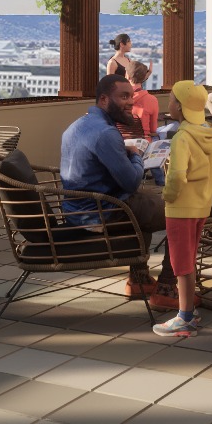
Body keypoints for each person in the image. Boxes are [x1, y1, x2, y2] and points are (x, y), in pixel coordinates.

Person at [61, 73, 178, 308]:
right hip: (100, 214)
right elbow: (131, 182)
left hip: (76, 210)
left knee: (147, 200)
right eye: (123, 96)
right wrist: (135, 156)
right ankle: (167, 286)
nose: (130, 102)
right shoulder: (106, 132)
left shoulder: (76, 125)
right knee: (182, 214)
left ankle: (139, 278)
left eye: (130, 96)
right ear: (103, 99)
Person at [153, 81, 212, 337]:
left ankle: (184, 318)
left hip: (181, 208)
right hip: (201, 205)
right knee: (190, 257)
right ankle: (189, 312)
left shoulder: (182, 138)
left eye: (172, 100)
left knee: (180, 263)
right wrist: (207, 178)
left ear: (181, 108)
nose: (169, 104)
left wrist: (167, 195)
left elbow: (176, 177)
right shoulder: (207, 131)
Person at [128, 62, 160, 138]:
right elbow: (153, 129)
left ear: (128, 76)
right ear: (143, 78)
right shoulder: (152, 100)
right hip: (144, 143)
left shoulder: (117, 98)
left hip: (122, 144)